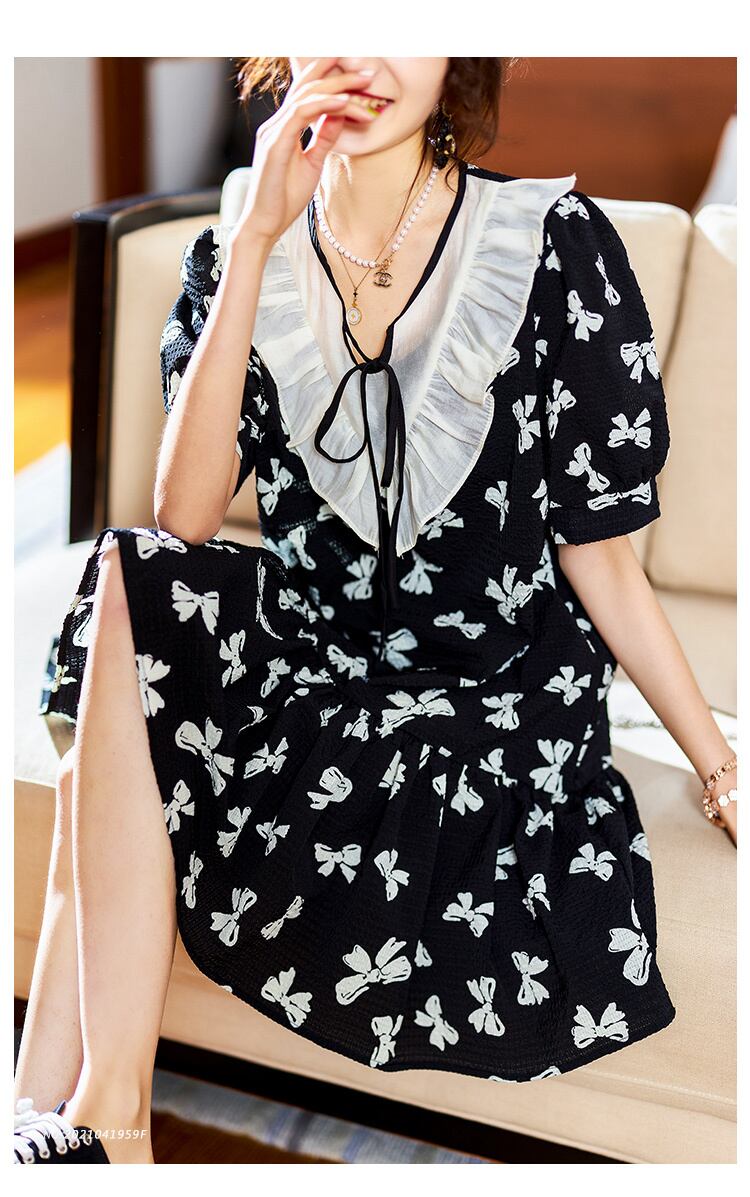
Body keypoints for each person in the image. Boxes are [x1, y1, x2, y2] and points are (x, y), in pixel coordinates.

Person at [15, 57, 737, 1165]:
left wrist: (721, 766)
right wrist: (253, 239)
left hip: (489, 701)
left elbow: (600, 558)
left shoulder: (555, 249)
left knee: (103, 761)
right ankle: (92, 1123)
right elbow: (186, 516)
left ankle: (72, 1119)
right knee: (129, 577)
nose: (368, 54)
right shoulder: (241, 249)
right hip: (316, 661)